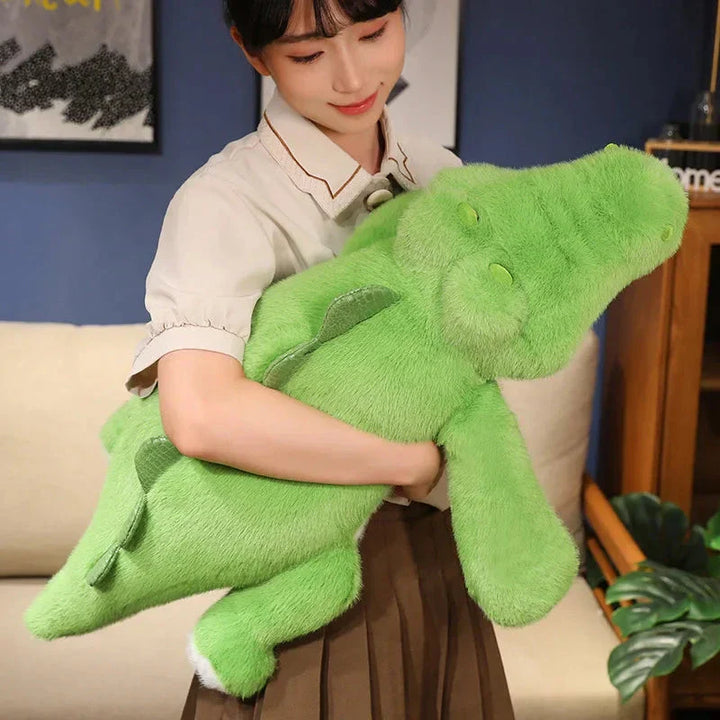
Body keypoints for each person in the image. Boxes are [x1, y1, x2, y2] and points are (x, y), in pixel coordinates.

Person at [126, 1, 515, 717]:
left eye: (374, 34)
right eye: (308, 55)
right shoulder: (226, 201)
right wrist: (413, 464)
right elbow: (201, 414)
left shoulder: (440, 174)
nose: (353, 77)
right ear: (253, 51)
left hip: (443, 558)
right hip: (311, 573)